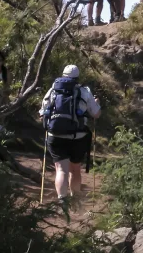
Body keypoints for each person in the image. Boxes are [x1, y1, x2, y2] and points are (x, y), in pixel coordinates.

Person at [39, 65, 101, 216]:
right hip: (77, 137)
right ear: (77, 77)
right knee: (75, 170)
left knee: (61, 170)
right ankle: (77, 203)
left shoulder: (53, 89)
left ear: (63, 75)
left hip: (55, 136)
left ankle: (62, 201)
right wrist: (95, 103)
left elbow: (42, 112)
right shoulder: (84, 91)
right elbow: (96, 114)